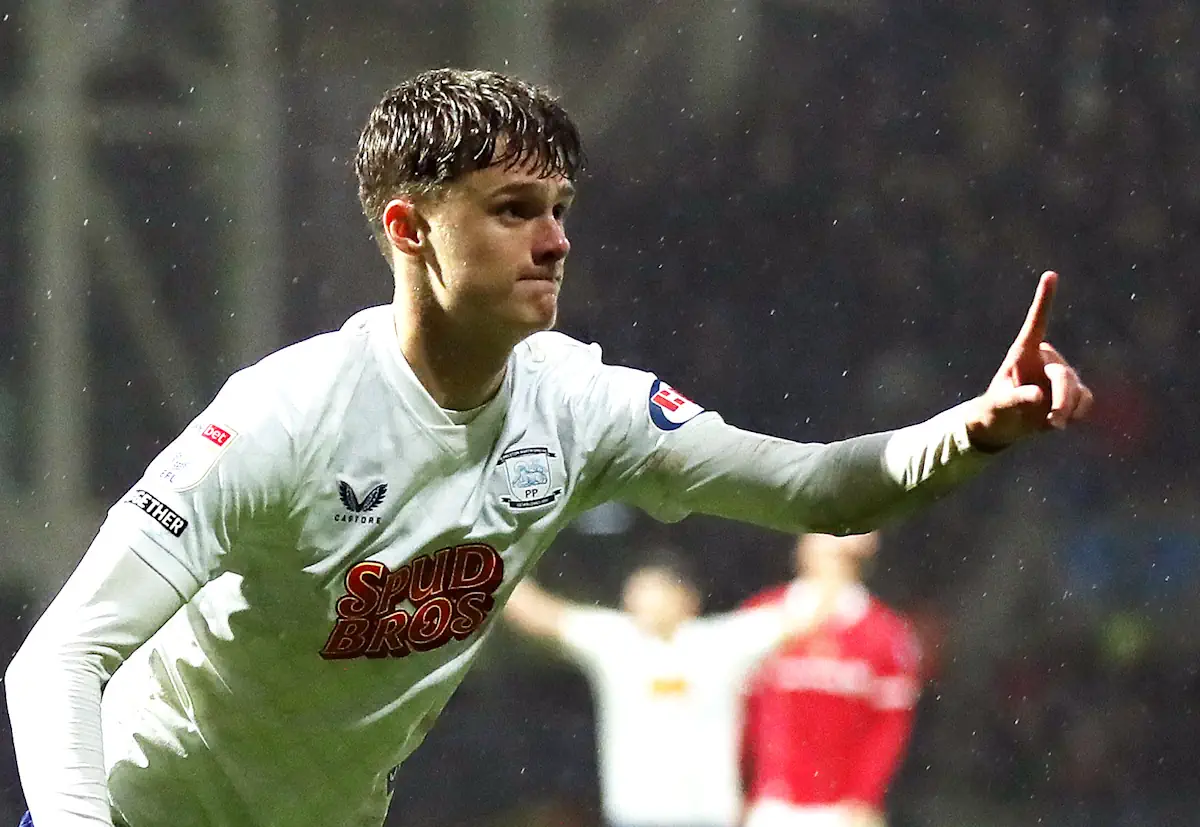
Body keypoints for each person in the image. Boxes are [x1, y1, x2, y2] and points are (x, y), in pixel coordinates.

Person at [4, 68, 1091, 827]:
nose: (557, 238)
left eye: (561, 207)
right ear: (408, 229)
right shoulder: (286, 415)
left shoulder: (581, 406)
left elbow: (813, 488)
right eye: (515, 208)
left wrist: (973, 428)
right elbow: (59, 655)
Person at [504, 549, 822, 827]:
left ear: (686, 597)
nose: (638, 597)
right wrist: (495, 560)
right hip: (636, 817)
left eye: (651, 588)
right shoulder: (615, 640)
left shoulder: (720, 643)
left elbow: (805, 615)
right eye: (636, 589)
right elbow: (536, 613)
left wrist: (829, 551)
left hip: (708, 817)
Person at [739, 533, 921, 827]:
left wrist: (865, 797)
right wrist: (742, 791)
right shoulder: (761, 615)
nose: (828, 563)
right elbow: (736, 713)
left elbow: (890, 729)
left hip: (842, 812)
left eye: (839, 555)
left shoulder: (885, 633)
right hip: (770, 804)